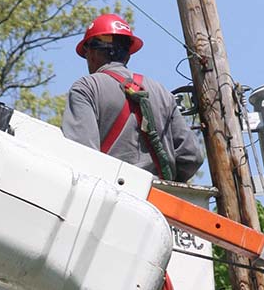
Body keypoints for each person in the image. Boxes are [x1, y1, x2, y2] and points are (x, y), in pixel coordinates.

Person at [62, 13, 204, 182]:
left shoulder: (86, 88)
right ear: (128, 54)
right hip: (162, 201)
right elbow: (192, 156)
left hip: (112, 199)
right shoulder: (161, 92)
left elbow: (81, 153)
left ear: (91, 53)